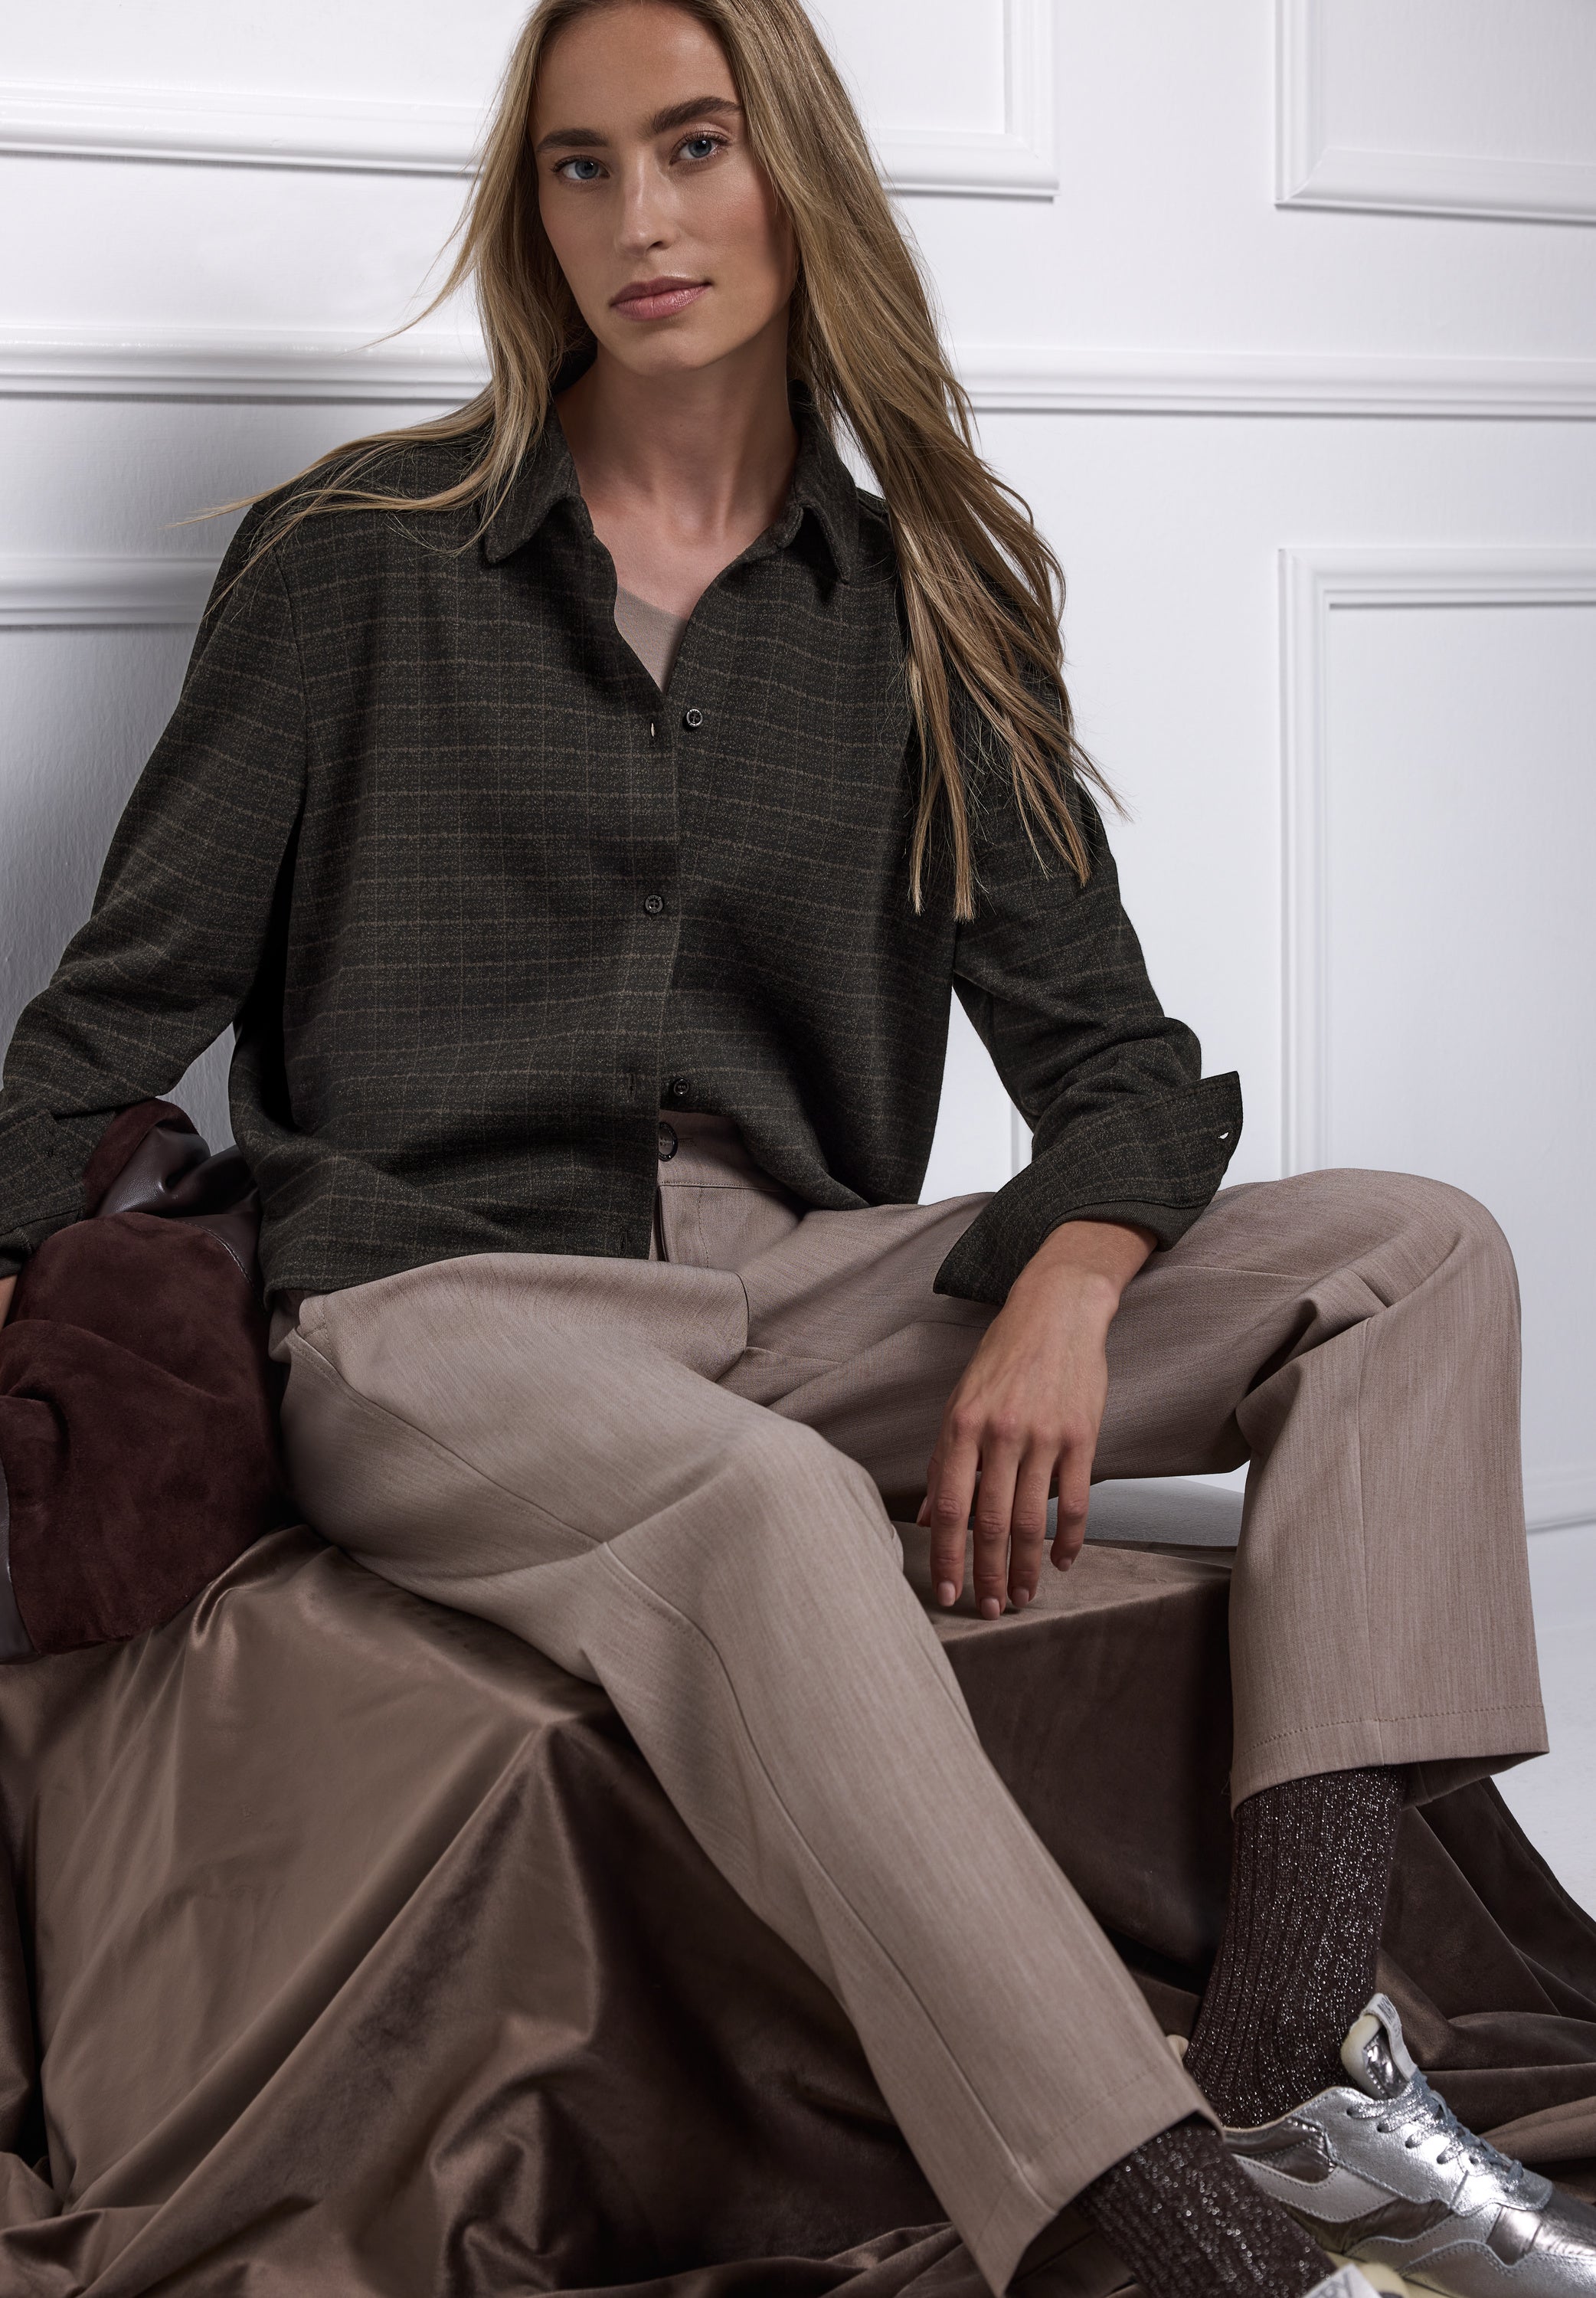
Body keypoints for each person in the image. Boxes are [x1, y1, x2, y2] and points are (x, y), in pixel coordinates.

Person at [0, 3, 1588, 2293]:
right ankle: (1154, 2232)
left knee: (1413, 1254)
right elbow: (119, 1002)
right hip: (440, 1303)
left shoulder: (930, 596)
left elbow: (1113, 1055)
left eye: (694, 146)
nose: (639, 219)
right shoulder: (357, 559)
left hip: (793, 1280)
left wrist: (1067, 1280)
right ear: (531, 219)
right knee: (764, 1513)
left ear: (798, 173)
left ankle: (1293, 2059)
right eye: (578, 166)